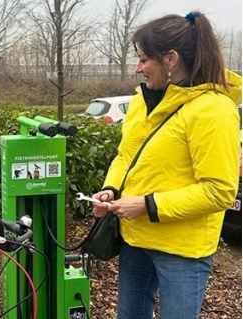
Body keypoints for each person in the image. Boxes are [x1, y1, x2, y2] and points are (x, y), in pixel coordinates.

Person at [91, 11, 241, 319]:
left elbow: (220, 191)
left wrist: (146, 205)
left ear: (170, 58)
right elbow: (125, 157)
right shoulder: (141, 101)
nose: (138, 68)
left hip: (182, 250)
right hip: (136, 238)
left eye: (144, 59)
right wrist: (110, 189)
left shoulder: (213, 110)